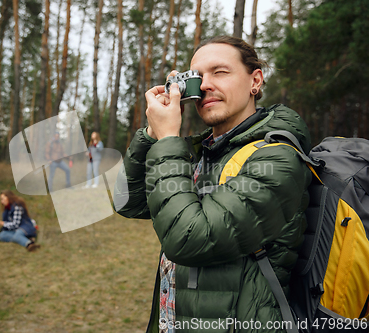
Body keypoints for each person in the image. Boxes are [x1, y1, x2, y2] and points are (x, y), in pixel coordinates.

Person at [114, 36, 312, 333]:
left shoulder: (278, 157)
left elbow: (190, 237)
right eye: (197, 76)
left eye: (220, 72)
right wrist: (151, 135)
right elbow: (128, 201)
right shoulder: (203, 152)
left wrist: (169, 139)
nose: (205, 85)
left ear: (255, 81)